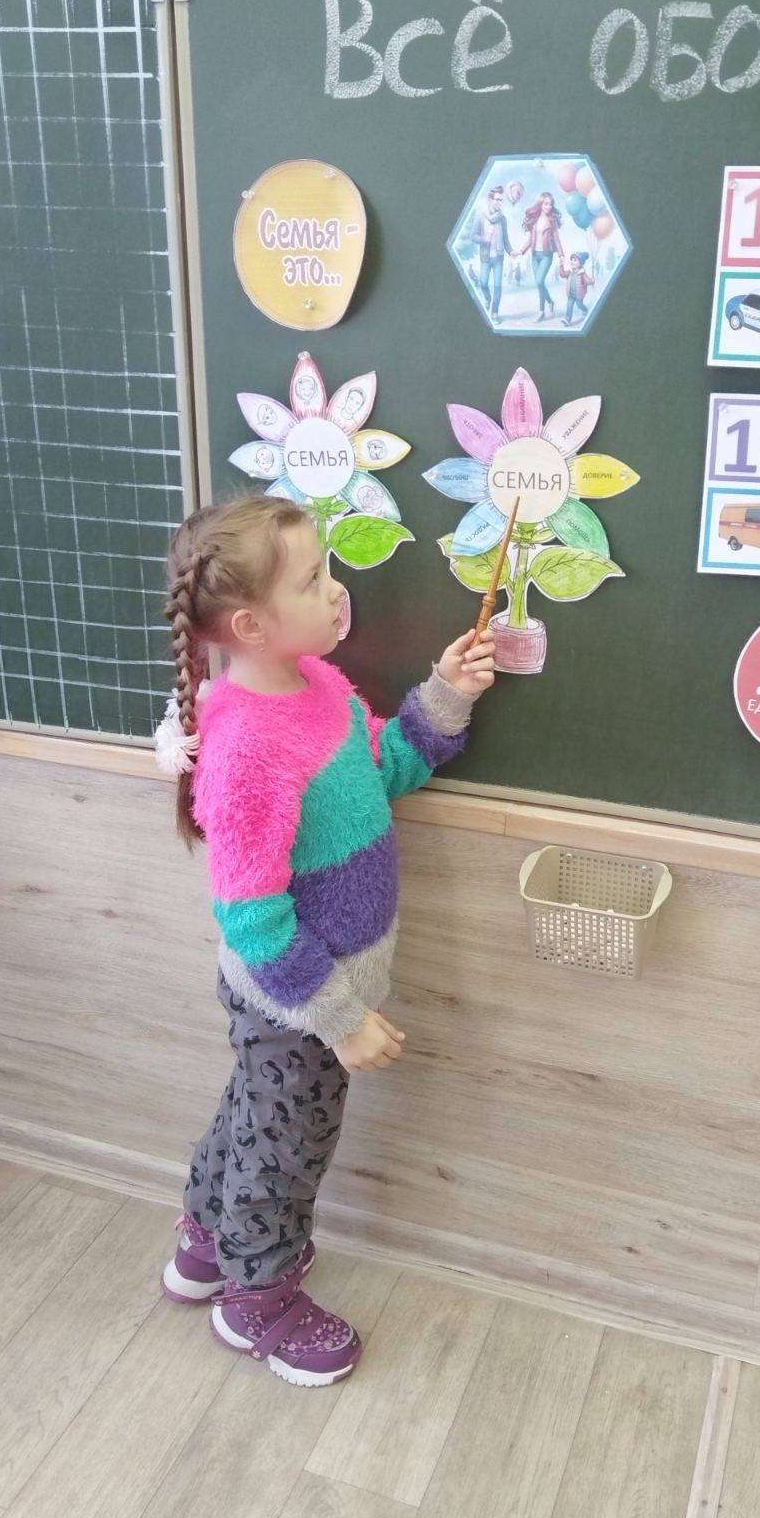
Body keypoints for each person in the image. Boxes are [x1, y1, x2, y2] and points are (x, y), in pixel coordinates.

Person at [154, 496, 496, 1386]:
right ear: (251, 625)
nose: (335, 590)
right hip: (297, 1000)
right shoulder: (245, 747)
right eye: (312, 580)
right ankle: (256, 1299)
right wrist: (340, 1018)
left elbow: (381, 771)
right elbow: (252, 917)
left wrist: (446, 694)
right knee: (286, 1144)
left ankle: (207, 1242)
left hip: (308, 992)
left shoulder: (318, 688)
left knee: (252, 1111)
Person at [515, 192, 566, 321]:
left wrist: (561, 255)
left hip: (546, 255)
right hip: (535, 255)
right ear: (540, 204)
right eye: (546, 204)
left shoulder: (552, 221)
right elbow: (530, 240)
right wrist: (520, 251)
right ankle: (550, 302)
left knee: (539, 281)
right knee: (540, 283)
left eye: (550, 204)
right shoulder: (534, 220)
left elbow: (556, 239)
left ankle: (541, 312)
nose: (549, 206)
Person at [469, 184, 514, 324]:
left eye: (501, 200)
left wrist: (511, 251)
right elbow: (473, 236)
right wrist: (485, 239)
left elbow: (506, 239)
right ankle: (487, 298)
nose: (500, 202)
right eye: (497, 199)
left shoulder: (503, 219)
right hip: (486, 257)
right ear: (490, 199)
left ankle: (495, 312)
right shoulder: (481, 217)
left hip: (499, 258)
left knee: (498, 286)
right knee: (483, 283)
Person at [561, 250, 594, 327]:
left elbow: (587, 281)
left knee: (579, 305)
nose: (572, 262)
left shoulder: (582, 273)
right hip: (570, 294)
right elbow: (563, 274)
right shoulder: (570, 272)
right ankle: (567, 319)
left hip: (579, 295)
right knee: (569, 305)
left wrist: (592, 280)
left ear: (581, 263)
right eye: (571, 260)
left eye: (575, 260)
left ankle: (585, 310)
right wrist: (561, 266)